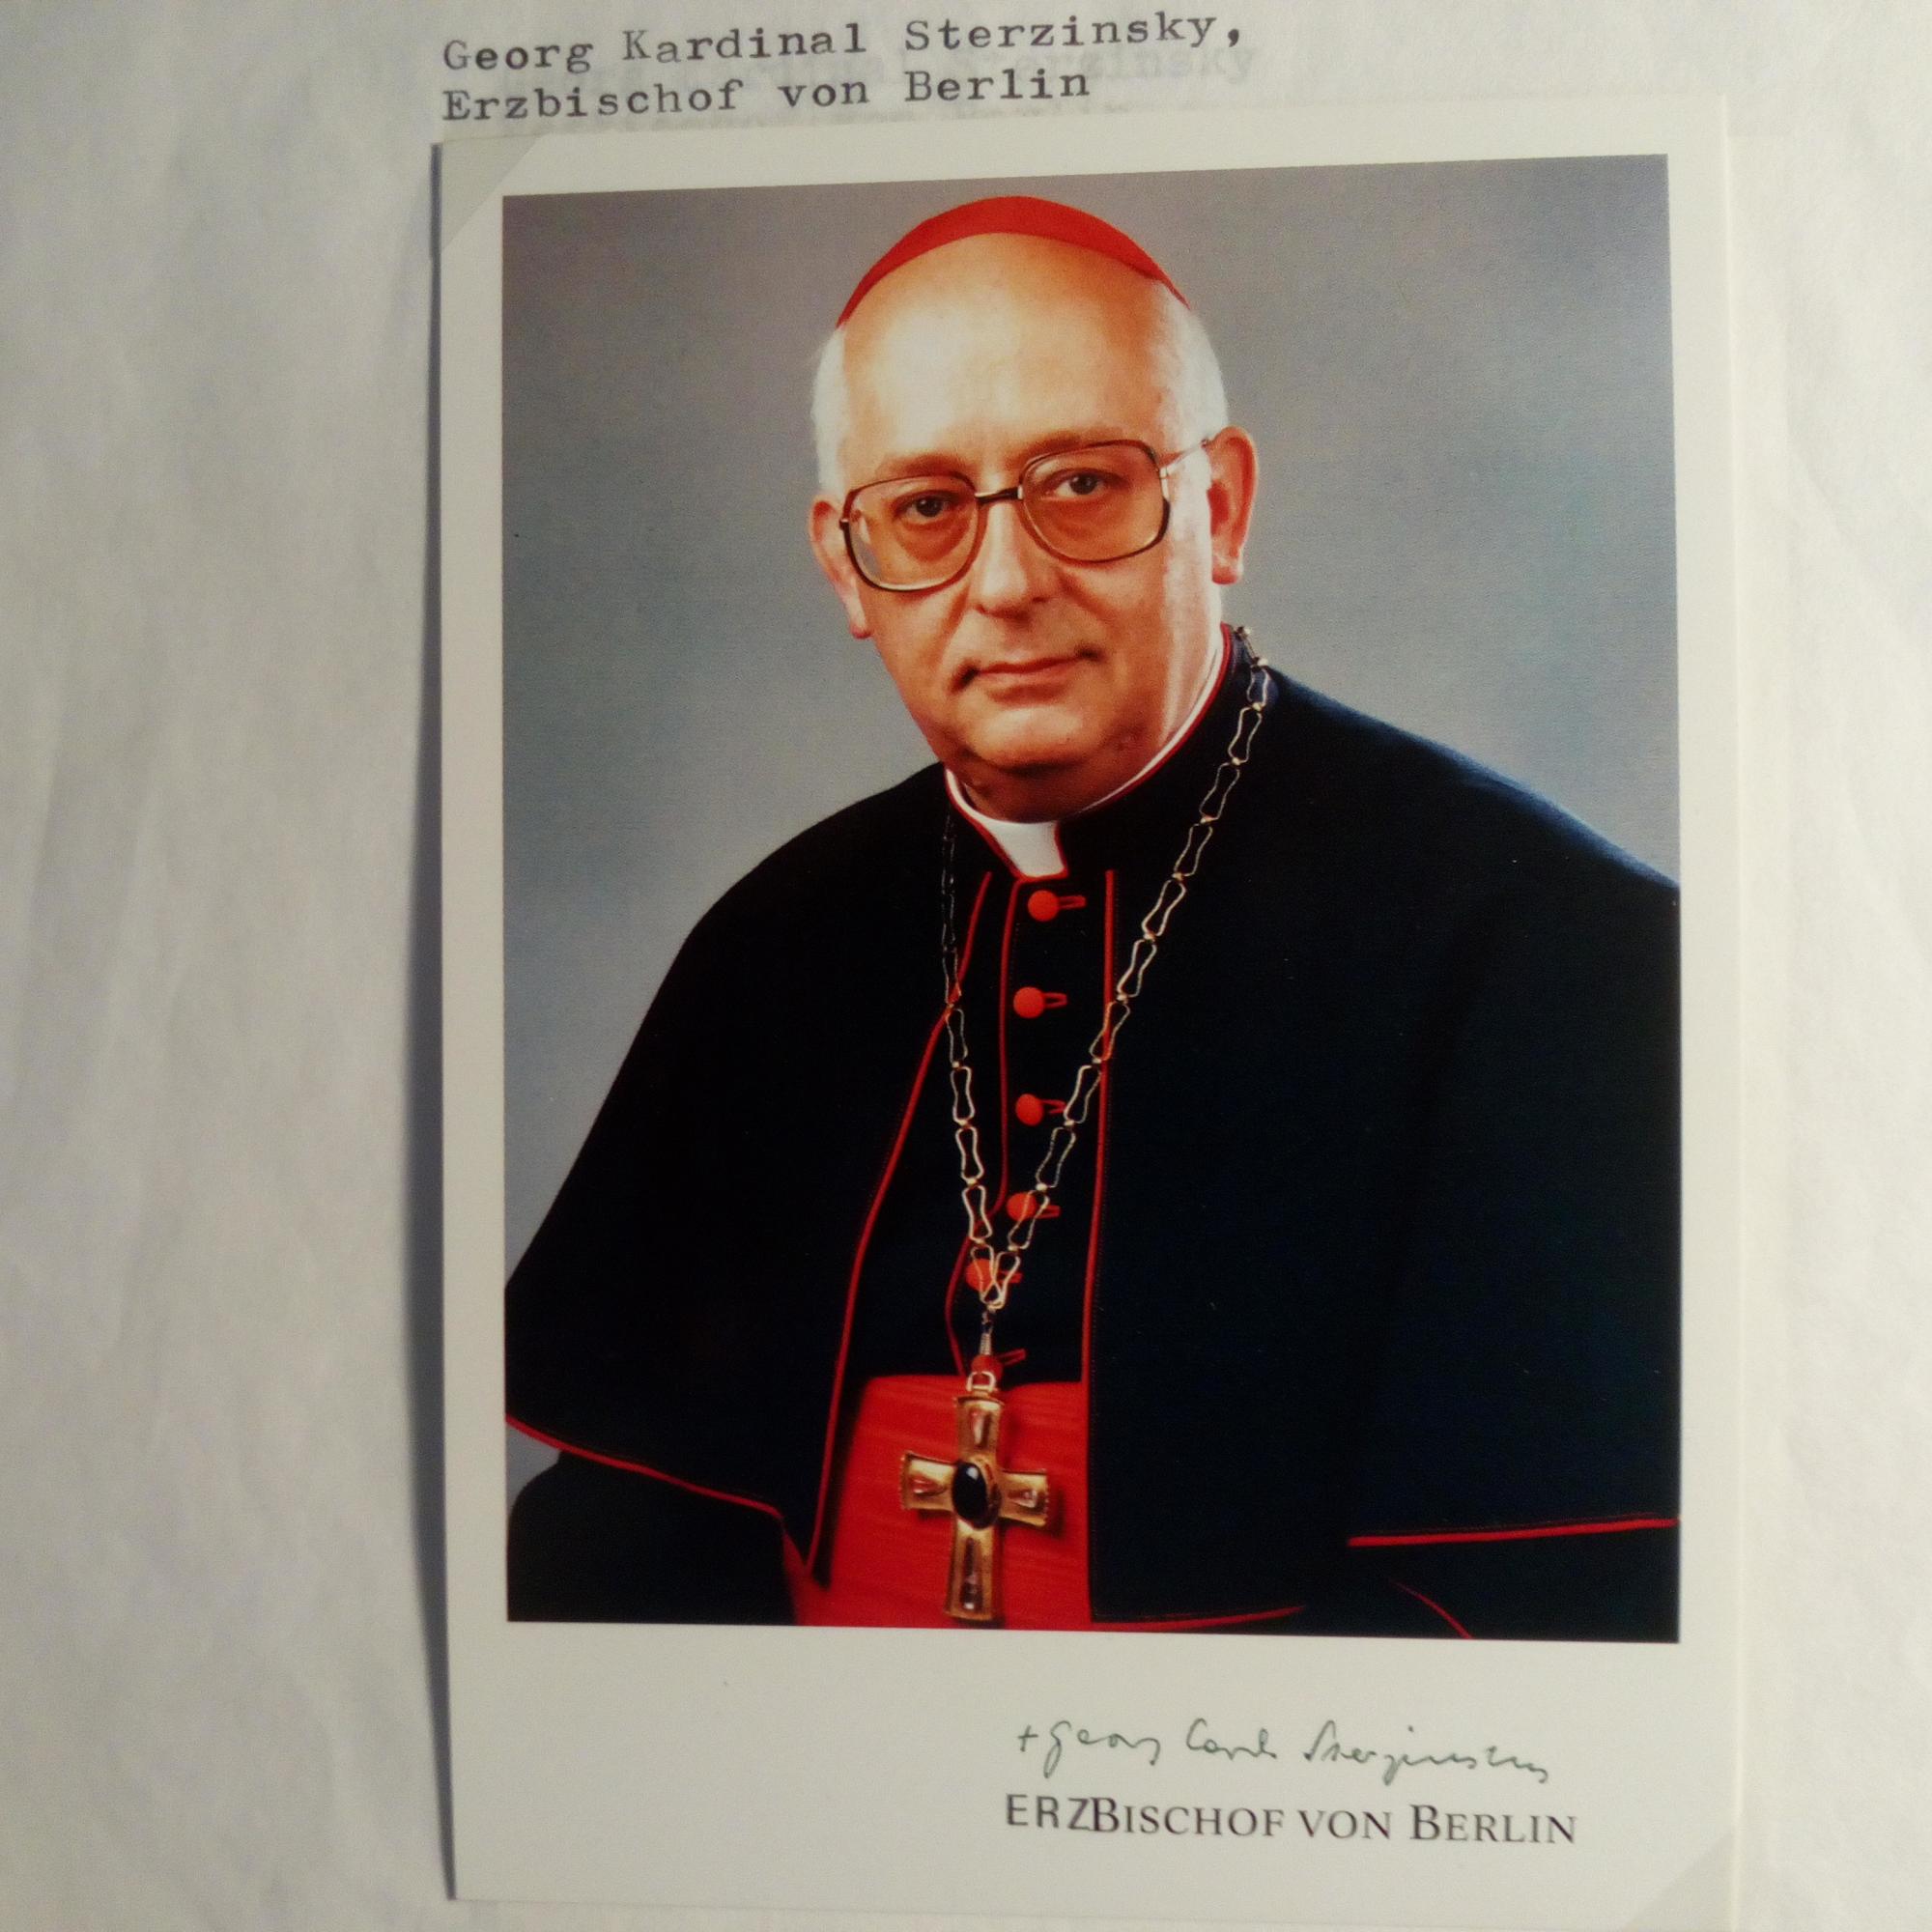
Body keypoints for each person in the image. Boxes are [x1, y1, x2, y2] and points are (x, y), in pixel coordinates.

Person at [505, 196, 1679, 1638]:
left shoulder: (1550, 946)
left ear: (1220, 508)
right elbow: (627, 1524)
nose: (1006, 584)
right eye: (925, 508)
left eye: (1081, 484)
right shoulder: (774, 945)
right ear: (845, 566)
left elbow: (1560, 1592)